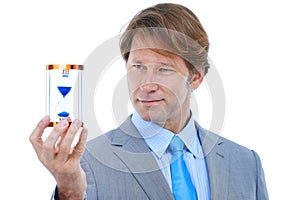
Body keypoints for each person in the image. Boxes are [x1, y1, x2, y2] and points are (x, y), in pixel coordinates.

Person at [30, 3, 269, 200]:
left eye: (164, 69)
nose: (146, 84)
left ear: (195, 77)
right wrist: (70, 191)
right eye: (138, 67)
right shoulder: (88, 163)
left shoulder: (246, 163)